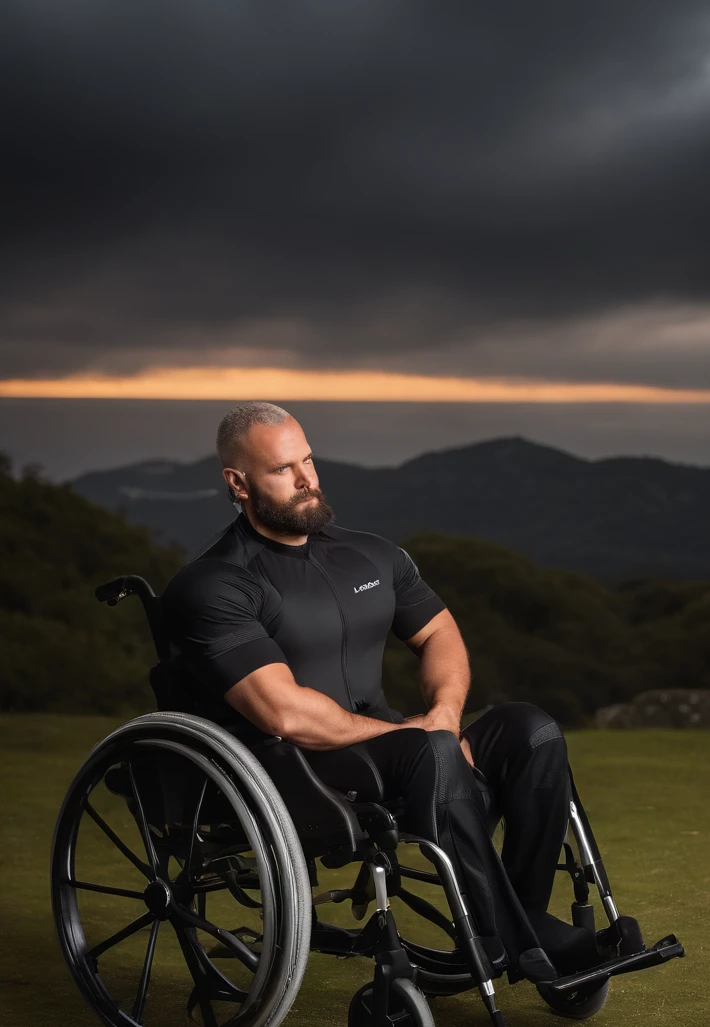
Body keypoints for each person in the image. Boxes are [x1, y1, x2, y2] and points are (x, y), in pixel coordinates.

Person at [161, 401, 598, 983]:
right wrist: (417, 735)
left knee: (531, 731)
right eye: (282, 469)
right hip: (298, 768)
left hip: (398, 746)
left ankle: (521, 921)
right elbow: (284, 713)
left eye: (309, 461)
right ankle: (514, 938)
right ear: (237, 484)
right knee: (435, 750)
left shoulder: (368, 553)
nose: (306, 480)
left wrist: (443, 714)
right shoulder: (215, 584)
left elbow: (439, 630)